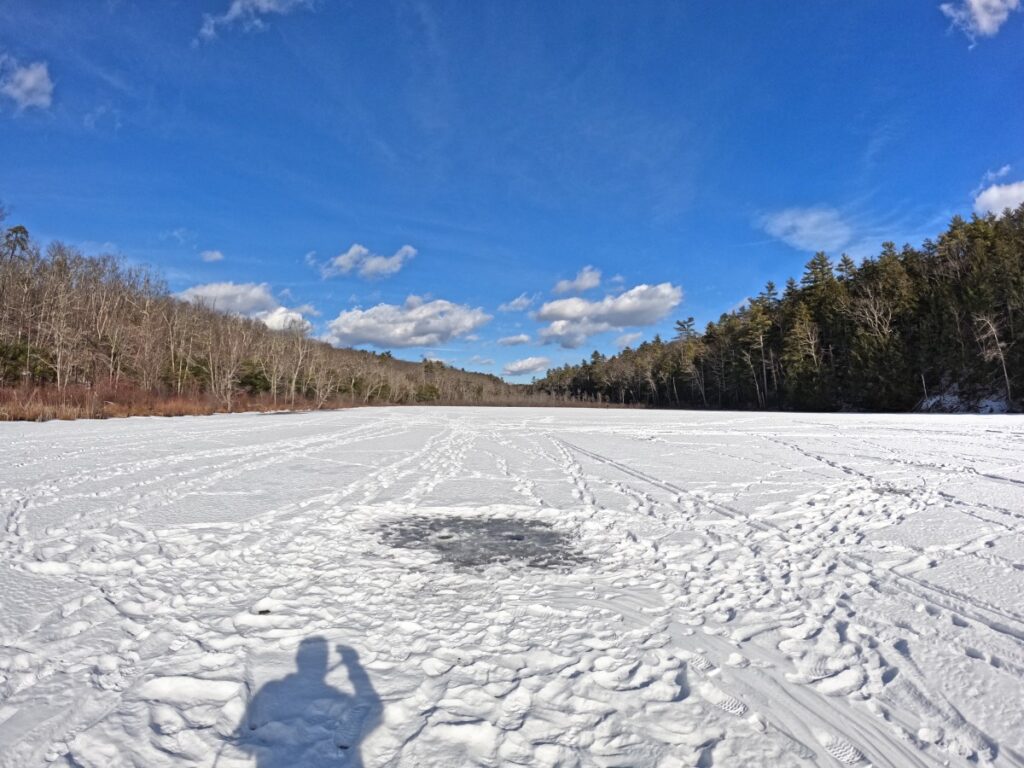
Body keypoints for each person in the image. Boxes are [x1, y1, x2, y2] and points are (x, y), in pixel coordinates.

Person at [234, 637, 380, 767]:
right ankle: (334, 738)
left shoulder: (271, 687)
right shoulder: (335, 694)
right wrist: (352, 664)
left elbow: (240, 744)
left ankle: (270, 734)